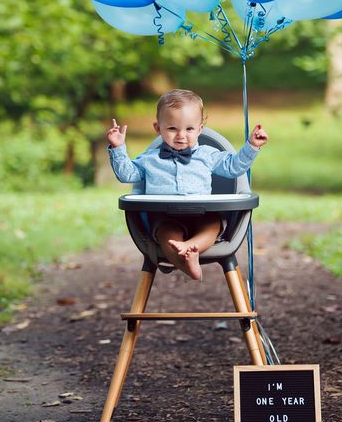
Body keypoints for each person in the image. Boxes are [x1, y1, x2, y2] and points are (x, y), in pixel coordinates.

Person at [107, 89, 268, 280]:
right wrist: (118, 148)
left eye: (189, 129)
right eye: (172, 129)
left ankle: (192, 247)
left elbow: (233, 167)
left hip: (203, 215)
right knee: (167, 235)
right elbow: (127, 174)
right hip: (166, 217)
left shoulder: (207, 155)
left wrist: (252, 146)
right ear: (158, 129)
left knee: (213, 225)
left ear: (200, 129)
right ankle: (188, 261)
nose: (181, 135)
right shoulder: (149, 159)